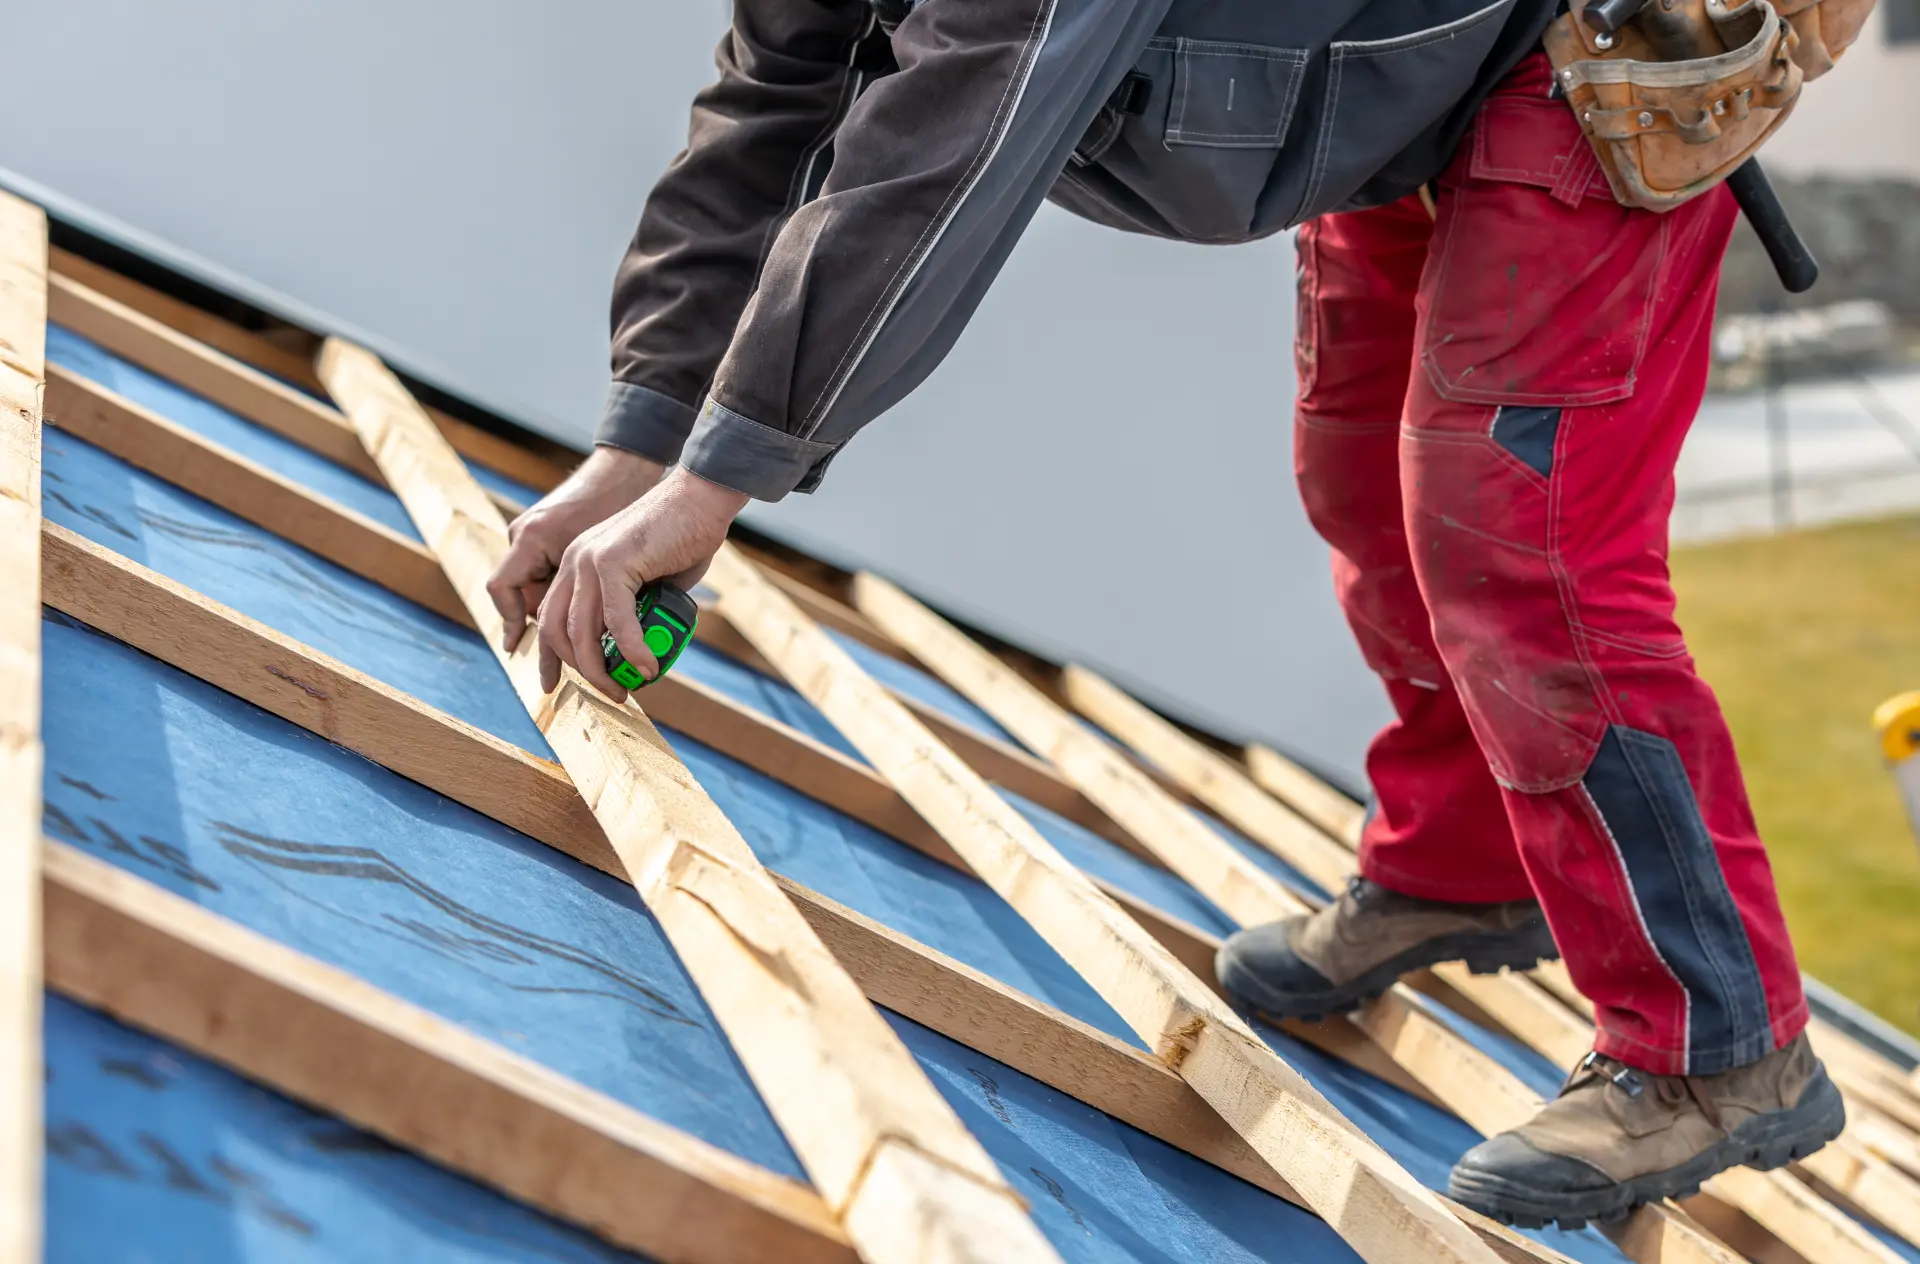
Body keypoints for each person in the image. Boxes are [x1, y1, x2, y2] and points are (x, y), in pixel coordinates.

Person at [485, 0, 1846, 1229]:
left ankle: (1721, 1046)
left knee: (1512, 534)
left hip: (1608, 47)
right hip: (1415, 67)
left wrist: (712, 486)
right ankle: (1466, 862)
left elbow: (955, 142)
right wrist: (638, 443)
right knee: (1364, 479)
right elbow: (775, 103)